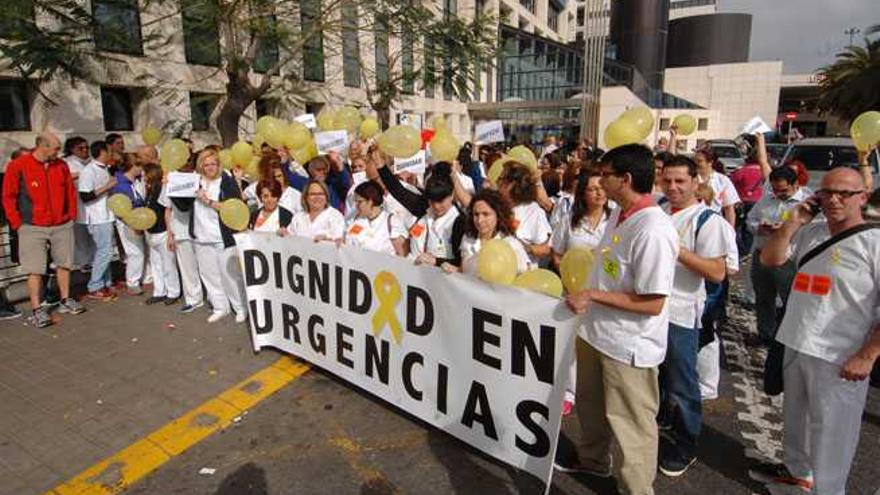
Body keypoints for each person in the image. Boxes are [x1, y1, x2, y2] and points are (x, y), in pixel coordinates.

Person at [558, 144, 678, 495]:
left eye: (605, 175)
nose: (599, 181)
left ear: (624, 179)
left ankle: (636, 489)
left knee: (631, 425)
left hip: (629, 345)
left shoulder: (653, 229)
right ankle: (593, 460)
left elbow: (653, 302)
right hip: (596, 333)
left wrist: (592, 295)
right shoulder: (619, 214)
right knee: (591, 406)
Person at [752, 168, 879, 495]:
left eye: (845, 193)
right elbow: (770, 258)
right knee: (797, 423)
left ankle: (829, 491)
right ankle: (798, 478)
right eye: (828, 192)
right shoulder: (812, 232)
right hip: (797, 341)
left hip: (839, 354)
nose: (834, 199)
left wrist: (868, 355)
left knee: (833, 435)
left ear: (862, 197)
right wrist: (794, 222)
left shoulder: (875, 243)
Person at [657, 155, 728, 476]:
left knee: (683, 383)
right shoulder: (656, 211)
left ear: (695, 183)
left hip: (682, 314)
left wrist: (679, 250)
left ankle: (686, 445)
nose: (672, 187)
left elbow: (717, 271)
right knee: (657, 377)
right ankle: (664, 423)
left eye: (680, 181)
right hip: (649, 310)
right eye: (667, 180)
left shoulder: (707, 220)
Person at [1, 132, 86, 327]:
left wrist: (70, 215)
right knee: (35, 269)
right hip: (32, 226)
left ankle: (65, 300)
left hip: (61, 223)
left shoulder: (60, 165)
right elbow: (8, 196)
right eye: (56, 148)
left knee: (64, 264)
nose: (59, 152)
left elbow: (69, 192)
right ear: (43, 146)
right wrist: (17, 223)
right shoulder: (19, 166)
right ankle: (37, 309)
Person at [746, 166, 809, 345]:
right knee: (763, 297)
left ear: (795, 184)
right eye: (775, 189)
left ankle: (788, 338)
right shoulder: (766, 199)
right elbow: (751, 220)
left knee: (790, 299)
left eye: (783, 190)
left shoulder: (806, 202)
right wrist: (760, 227)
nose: (778, 193)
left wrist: (786, 229)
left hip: (787, 259)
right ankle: (765, 333)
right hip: (762, 255)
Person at [191, 149, 248, 323]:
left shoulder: (226, 182)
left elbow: (234, 207)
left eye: (213, 164)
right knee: (209, 275)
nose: (209, 168)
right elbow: (182, 204)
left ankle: (240, 307)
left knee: (230, 275)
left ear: (218, 164)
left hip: (222, 236)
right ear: (201, 165)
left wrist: (208, 201)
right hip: (201, 236)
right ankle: (220, 307)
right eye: (206, 164)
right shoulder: (195, 182)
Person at [443, 188, 531, 276]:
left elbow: (525, 274)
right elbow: (465, 271)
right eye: (476, 214)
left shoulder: (511, 244)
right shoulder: (468, 239)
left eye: (486, 214)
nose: (480, 220)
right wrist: (454, 270)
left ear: (498, 215)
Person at [78, 141, 118, 300]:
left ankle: (106, 282)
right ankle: (94, 285)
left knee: (104, 250)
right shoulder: (88, 171)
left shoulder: (105, 169)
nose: (111, 154)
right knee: (105, 251)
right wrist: (107, 187)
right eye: (109, 151)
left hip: (106, 215)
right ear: (102, 152)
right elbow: (85, 196)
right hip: (97, 217)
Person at [167, 157, 204, 313]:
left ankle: (217, 299)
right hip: (181, 230)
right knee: (188, 269)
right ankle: (194, 299)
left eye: (189, 160)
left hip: (202, 229)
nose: (186, 163)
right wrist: (170, 233)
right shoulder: (169, 180)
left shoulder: (201, 178)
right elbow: (167, 209)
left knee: (208, 268)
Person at [497, 162, 552, 266]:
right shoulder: (493, 206)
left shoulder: (534, 211)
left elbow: (547, 249)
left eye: (501, 179)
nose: (497, 183)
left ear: (512, 184)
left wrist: (523, 248)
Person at [551, 171, 610, 268]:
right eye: (593, 189)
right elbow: (557, 255)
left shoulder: (615, 220)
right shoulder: (568, 220)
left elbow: (618, 262)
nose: (599, 193)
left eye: (602, 188)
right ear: (582, 193)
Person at [111, 153, 150, 295]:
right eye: (138, 165)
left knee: (140, 250)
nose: (141, 168)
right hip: (128, 222)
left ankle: (142, 278)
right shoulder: (122, 185)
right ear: (131, 167)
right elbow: (121, 209)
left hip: (138, 219)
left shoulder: (133, 181)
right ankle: (132, 282)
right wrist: (133, 225)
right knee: (135, 252)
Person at [141, 163, 180, 305]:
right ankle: (159, 291)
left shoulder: (160, 188)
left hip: (162, 231)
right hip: (151, 232)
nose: (142, 177)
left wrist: (170, 233)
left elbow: (166, 210)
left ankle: (173, 291)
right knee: (156, 264)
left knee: (168, 263)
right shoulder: (149, 189)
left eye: (144, 174)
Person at [345, 181, 408, 257]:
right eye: (355, 202)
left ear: (370, 201)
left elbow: (402, 255)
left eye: (359, 202)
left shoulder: (392, 222)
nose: (356, 206)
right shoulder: (354, 219)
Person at [694, 148, 739, 227]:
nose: (695, 163)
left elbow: (729, 209)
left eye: (699, 161)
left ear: (710, 162)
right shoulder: (689, 179)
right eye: (694, 160)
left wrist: (730, 232)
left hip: (713, 223)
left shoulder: (722, 180)